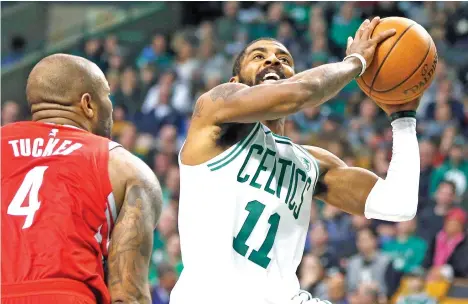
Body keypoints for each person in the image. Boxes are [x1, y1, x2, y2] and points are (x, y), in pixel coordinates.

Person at [171, 17, 421, 304]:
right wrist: (355, 62)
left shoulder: (312, 162)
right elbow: (300, 93)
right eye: (258, 56)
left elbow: (398, 204)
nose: (272, 61)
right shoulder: (213, 111)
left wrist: (403, 119)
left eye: (283, 59)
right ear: (235, 83)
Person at [1, 54, 163, 304]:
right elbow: (129, 295)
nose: (111, 106)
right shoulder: (125, 167)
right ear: (88, 104)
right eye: (107, 96)